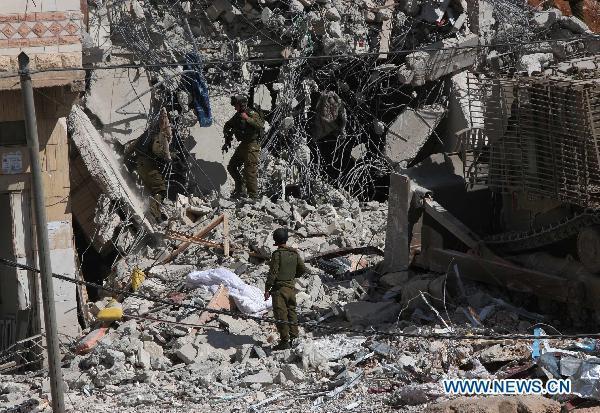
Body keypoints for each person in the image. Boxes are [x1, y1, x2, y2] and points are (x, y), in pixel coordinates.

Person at [125, 107, 173, 221]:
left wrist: (126, 159)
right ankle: (155, 214)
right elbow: (157, 150)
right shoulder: (158, 136)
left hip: (139, 163)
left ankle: (154, 210)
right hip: (147, 165)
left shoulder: (148, 132)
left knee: (153, 188)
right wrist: (167, 157)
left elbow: (132, 146)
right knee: (160, 189)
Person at [264, 228, 307, 350]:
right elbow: (303, 269)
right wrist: (293, 277)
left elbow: (273, 273)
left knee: (281, 315)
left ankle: (284, 342)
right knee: (292, 312)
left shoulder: (277, 255)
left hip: (279, 290)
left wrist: (267, 289)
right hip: (291, 289)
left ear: (275, 240)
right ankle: (295, 338)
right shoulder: (294, 253)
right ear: (286, 239)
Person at [222, 94, 264, 199]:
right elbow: (228, 125)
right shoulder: (237, 115)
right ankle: (240, 190)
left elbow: (259, 125)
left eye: (236, 105)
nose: (234, 107)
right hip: (244, 144)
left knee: (249, 170)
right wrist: (227, 138)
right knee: (232, 166)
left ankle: (253, 197)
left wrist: (247, 118)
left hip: (252, 145)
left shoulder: (251, 113)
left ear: (241, 105)